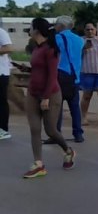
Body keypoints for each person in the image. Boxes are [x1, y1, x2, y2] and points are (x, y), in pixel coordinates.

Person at [18, 18, 75, 178]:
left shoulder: (51, 49)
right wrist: (26, 69)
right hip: (33, 93)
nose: (28, 29)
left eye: (30, 27)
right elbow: (39, 70)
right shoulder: (36, 48)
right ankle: (39, 164)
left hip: (50, 94)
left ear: (36, 30)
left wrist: (46, 97)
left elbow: (52, 75)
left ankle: (68, 150)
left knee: (50, 130)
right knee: (34, 128)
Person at [53, 15, 85, 143]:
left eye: (56, 24)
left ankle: (56, 133)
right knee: (74, 107)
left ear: (61, 26)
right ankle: (78, 133)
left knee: (57, 107)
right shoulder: (79, 40)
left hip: (60, 76)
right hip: (74, 77)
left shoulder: (57, 38)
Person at [0, 22, 14, 140]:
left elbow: (9, 47)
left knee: (1, 101)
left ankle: (3, 130)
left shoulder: (1, 32)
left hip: (1, 72)